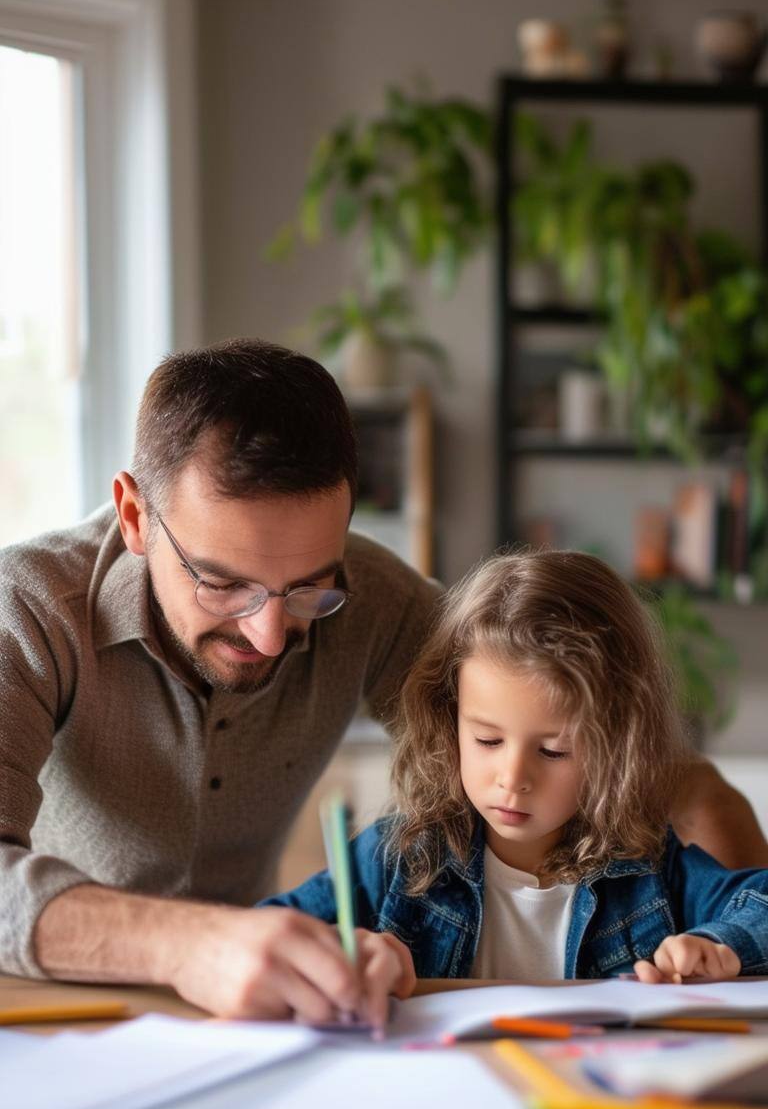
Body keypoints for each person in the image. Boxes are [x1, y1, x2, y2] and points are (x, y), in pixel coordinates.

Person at [0, 338, 433, 1022]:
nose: (268, 635)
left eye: (307, 589)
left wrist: (411, 924)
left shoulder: (378, 596)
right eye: (223, 583)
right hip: (47, 1015)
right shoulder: (27, 606)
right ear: (136, 516)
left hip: (263, 1018)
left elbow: (519, 736)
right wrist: (184, 945)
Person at [267, 550, 768, 992]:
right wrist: (339, 951)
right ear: (449, 718)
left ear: (616, 745)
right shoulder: (395, 860)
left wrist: (718, 944)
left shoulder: (652, 870)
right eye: (487, 740)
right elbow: (265, 936)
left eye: (553, 751)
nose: (512, 777)